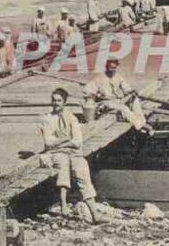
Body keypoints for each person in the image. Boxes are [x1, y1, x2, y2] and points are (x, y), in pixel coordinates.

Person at [38, 87, 102, 224]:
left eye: (59, 100)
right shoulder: (47, 119)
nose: (56, 103)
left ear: (64, 102)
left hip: (73, 152)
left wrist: (60, 142)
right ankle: (64, 205)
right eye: (53, 100)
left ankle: (95, 214)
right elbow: (48, 143)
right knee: (63, 164)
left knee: (82, 169)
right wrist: (66, 140)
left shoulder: (72, 118)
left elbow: (78, 142)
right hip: (56, 153)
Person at [83, 59, 153, 134]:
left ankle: (142, 122)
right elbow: (86, 91)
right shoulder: (99, 79)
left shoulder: (118, 77)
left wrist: (131, 92)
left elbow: (126, 88)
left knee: (135, 100)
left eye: (114, 68)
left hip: (117, 100)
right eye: (111, 68)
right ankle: (142, 126)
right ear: (106, 67)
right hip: (106, 102)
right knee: (124, 108)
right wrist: (96, 96)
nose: (113, 70)